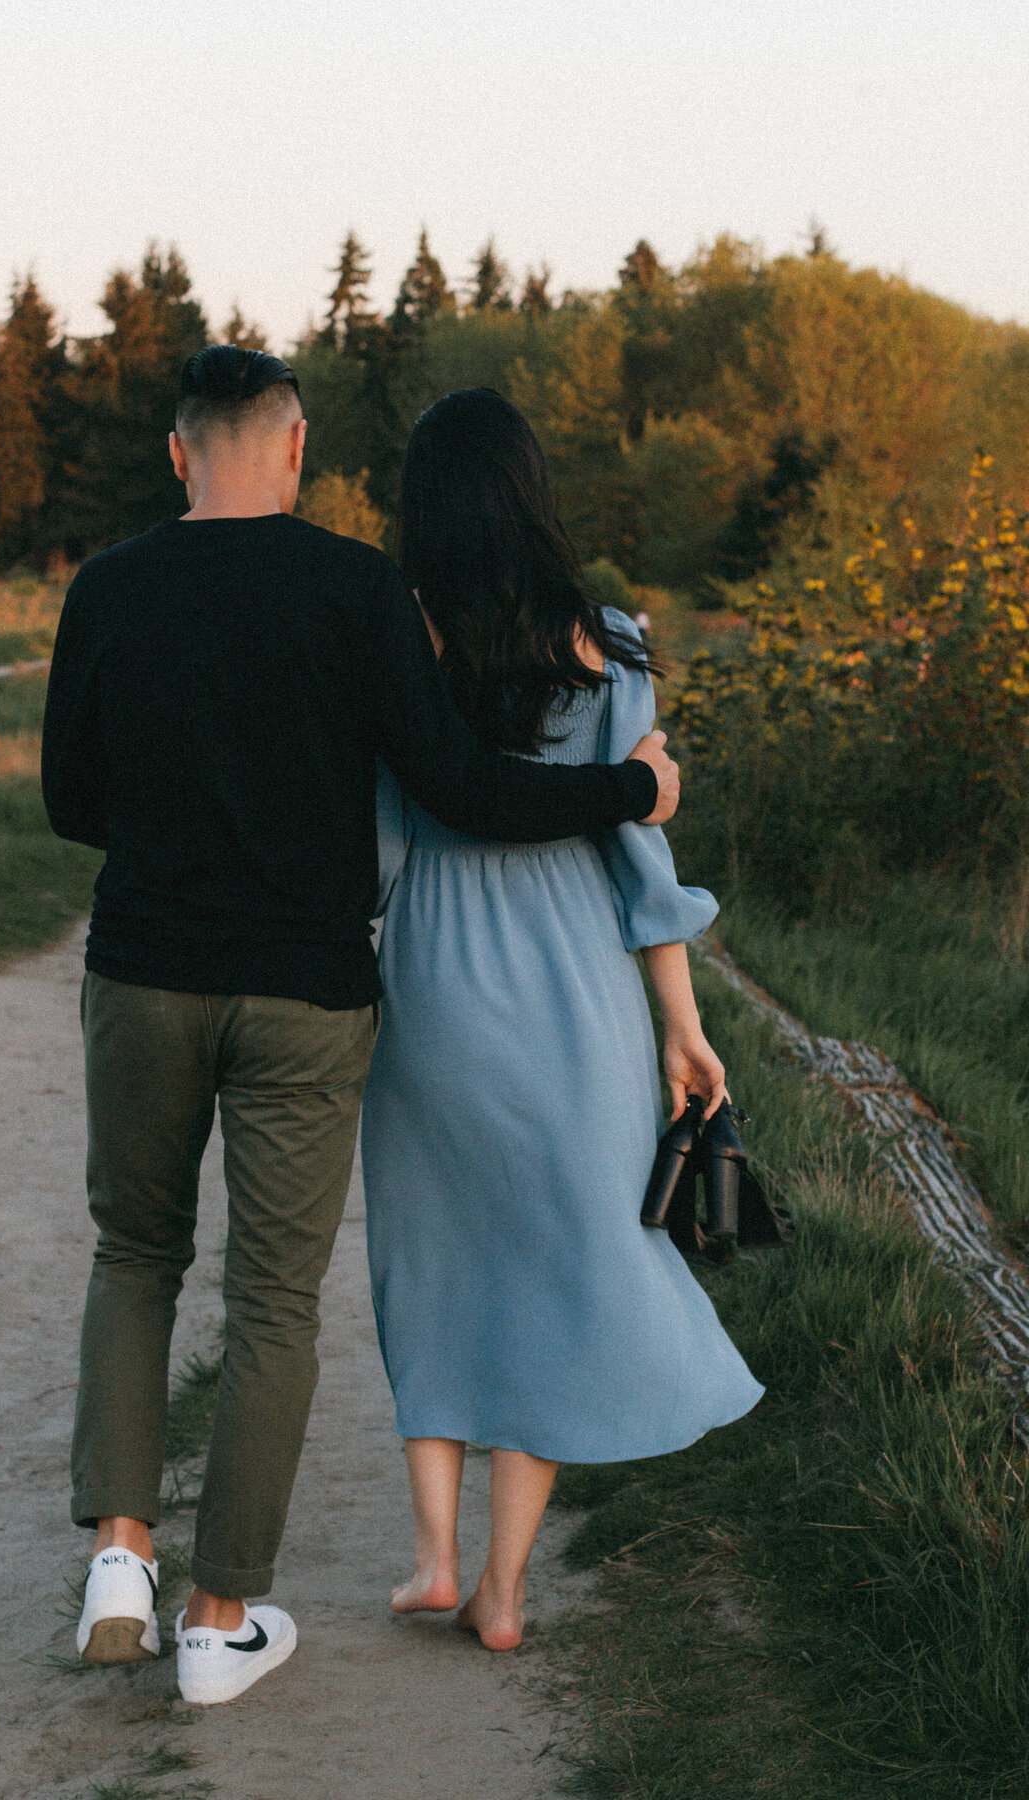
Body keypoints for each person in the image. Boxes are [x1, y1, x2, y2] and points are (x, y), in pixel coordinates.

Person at [40, 347, 680, 1706]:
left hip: (145, 972)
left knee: (136, 1252)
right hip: (306, 995)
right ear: (296, 446)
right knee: (271, 1298)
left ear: (174, 455)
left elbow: (68, 800)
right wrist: (628, 792)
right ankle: (217, 1624)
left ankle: (117, 1550)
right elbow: (460, 786)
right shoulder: (355, 589)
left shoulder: (104, 589)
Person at [361, 389, 763, 1651]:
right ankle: (504, 1590)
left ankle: (430, 1555)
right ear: (533, 491)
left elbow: (376, 839)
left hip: (433, 972)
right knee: (551, 1262)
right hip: (575, 983)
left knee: (427, 1257)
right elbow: (643, 865)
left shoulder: (399, 631)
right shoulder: (613, 647)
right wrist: (681, 1027)